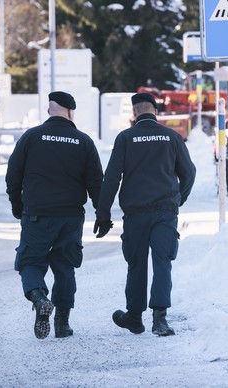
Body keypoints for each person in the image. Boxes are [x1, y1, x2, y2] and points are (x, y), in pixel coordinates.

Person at [94, 92, 196, 336]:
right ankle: (160, 320)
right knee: (162, 263)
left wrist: (103, 214)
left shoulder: (126, 138)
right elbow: (189, 172)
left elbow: (111, 179)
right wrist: (178, 198)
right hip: (165, 212)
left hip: (136, 214)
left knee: (136, 264)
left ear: (134, 113)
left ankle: (135, 317)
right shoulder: (172, 136)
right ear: (155, 111)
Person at [6, 91, 103, 339]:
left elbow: (13, 175)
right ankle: (62, 323)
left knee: (29, 262)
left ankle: (39, 298)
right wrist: (102, 215)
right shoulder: (83, 141)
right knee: (64, 267)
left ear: (49, 111)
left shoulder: (31, 137)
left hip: (37, 214)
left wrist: (17, 205)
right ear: (71, 112)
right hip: (70, 217)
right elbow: (96, 183)